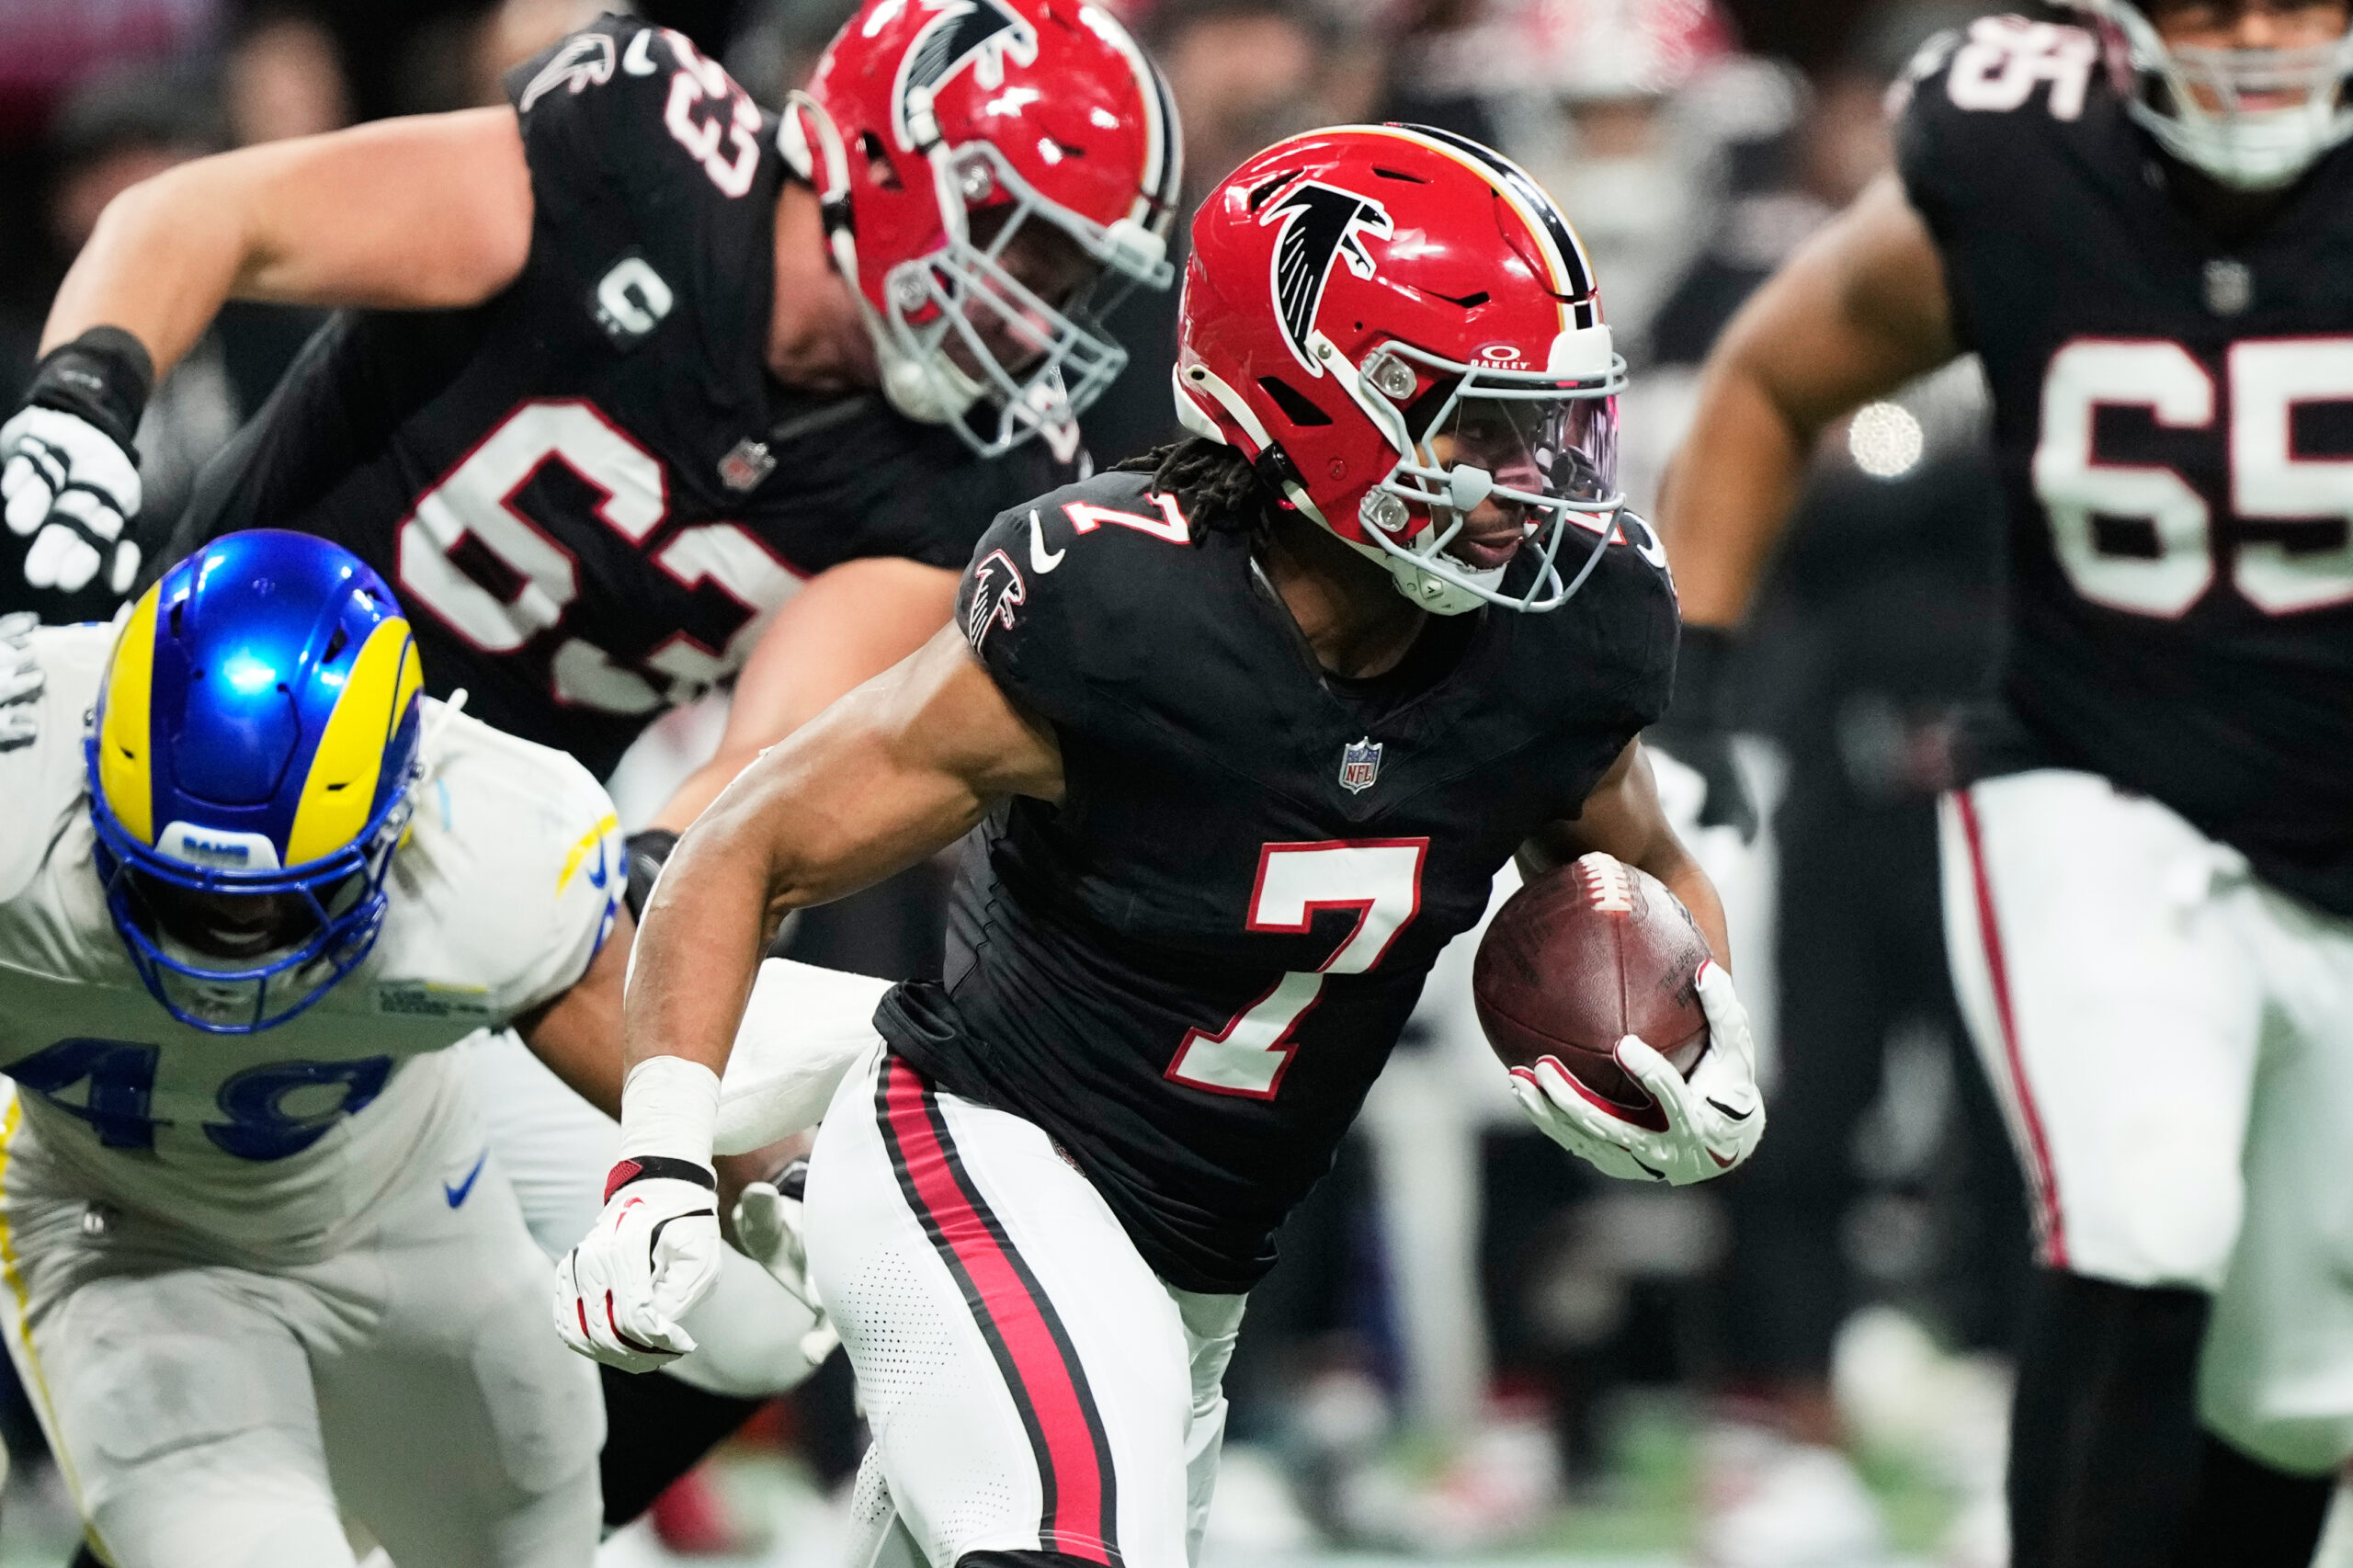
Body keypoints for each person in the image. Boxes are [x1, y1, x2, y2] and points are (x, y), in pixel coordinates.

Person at [558, 121, 1768, 1568]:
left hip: (1193, 1275)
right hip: (986, 1157)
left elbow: (1636, 861)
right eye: (1478, 424)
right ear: (1306, 393)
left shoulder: (1565, 633)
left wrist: (1703, 1035)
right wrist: (664, 1156)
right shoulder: (1123, 610)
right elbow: (744, 844)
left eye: (1555, 424)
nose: (1532, 481)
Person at [1653, 2, 2353, 1562]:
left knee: (2307, 1381)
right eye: (2207, 2)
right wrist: (1692, 678)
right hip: (2091, 777)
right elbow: (1770, 375)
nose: (2253, 39)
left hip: (2331, 826)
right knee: (2142, 1211)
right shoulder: (2031, 157)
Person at [0, 0, 1180, 842]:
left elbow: (757, 765)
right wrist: (84, 401)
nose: (1035, 315)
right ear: (882, 160)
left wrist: (653, 880)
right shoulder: (639, 155)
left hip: (459, 865)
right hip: (192, 705)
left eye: (1069, 279)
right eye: (1021, 246)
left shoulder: (979, 465)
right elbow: (212, 214)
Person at [0, 529, 625, 1567]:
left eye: (268, 906)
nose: (218, 950)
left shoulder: (493, 853)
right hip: (118, 1230)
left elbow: (652, 1049)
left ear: (398, 813)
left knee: (534, 1543)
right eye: (176, 890)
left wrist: (754, 1177)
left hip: (406, 1207)